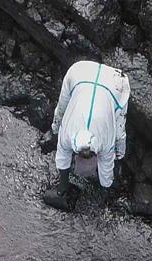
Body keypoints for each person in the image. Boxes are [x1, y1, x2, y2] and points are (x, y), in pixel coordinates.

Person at [43, 60, 130, 209]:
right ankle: (54, 130)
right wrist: (63, 186)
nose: (85, 156)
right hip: (79, 74)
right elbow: (62, 156)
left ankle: (120, 155)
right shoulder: (67, 133)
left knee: (119, 131)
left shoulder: (105, 139)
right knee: (62, 108)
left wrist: (106, 190)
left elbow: (107, 163)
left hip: (116, 85)